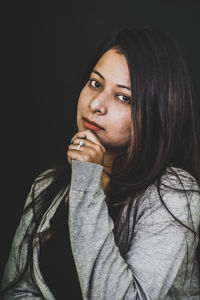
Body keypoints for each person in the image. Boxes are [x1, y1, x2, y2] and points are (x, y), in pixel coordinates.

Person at [1, 27, 200, 299]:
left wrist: (86, 180)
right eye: (95, 83)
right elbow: (16, 289)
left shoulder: (175, 194)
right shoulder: (47, 184)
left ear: (156, 111)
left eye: (124, 97)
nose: (96, 104)